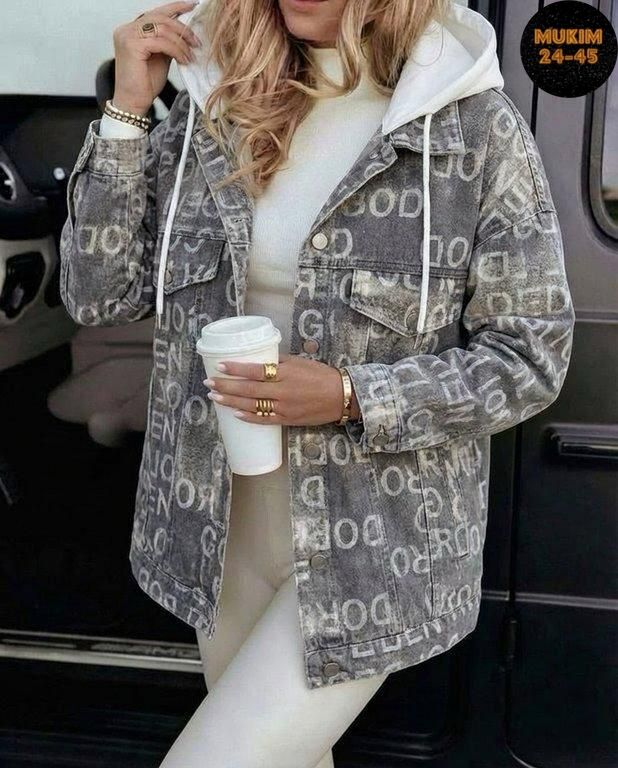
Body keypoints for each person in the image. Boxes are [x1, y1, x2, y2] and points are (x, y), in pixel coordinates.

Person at [59, 0, 575, 765]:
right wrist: (130, 109)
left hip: (371, 548)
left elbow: (531, 355)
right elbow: (99, 295)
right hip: (218, 527)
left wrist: (349, 395)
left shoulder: (471, 126)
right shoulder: (216, 108)